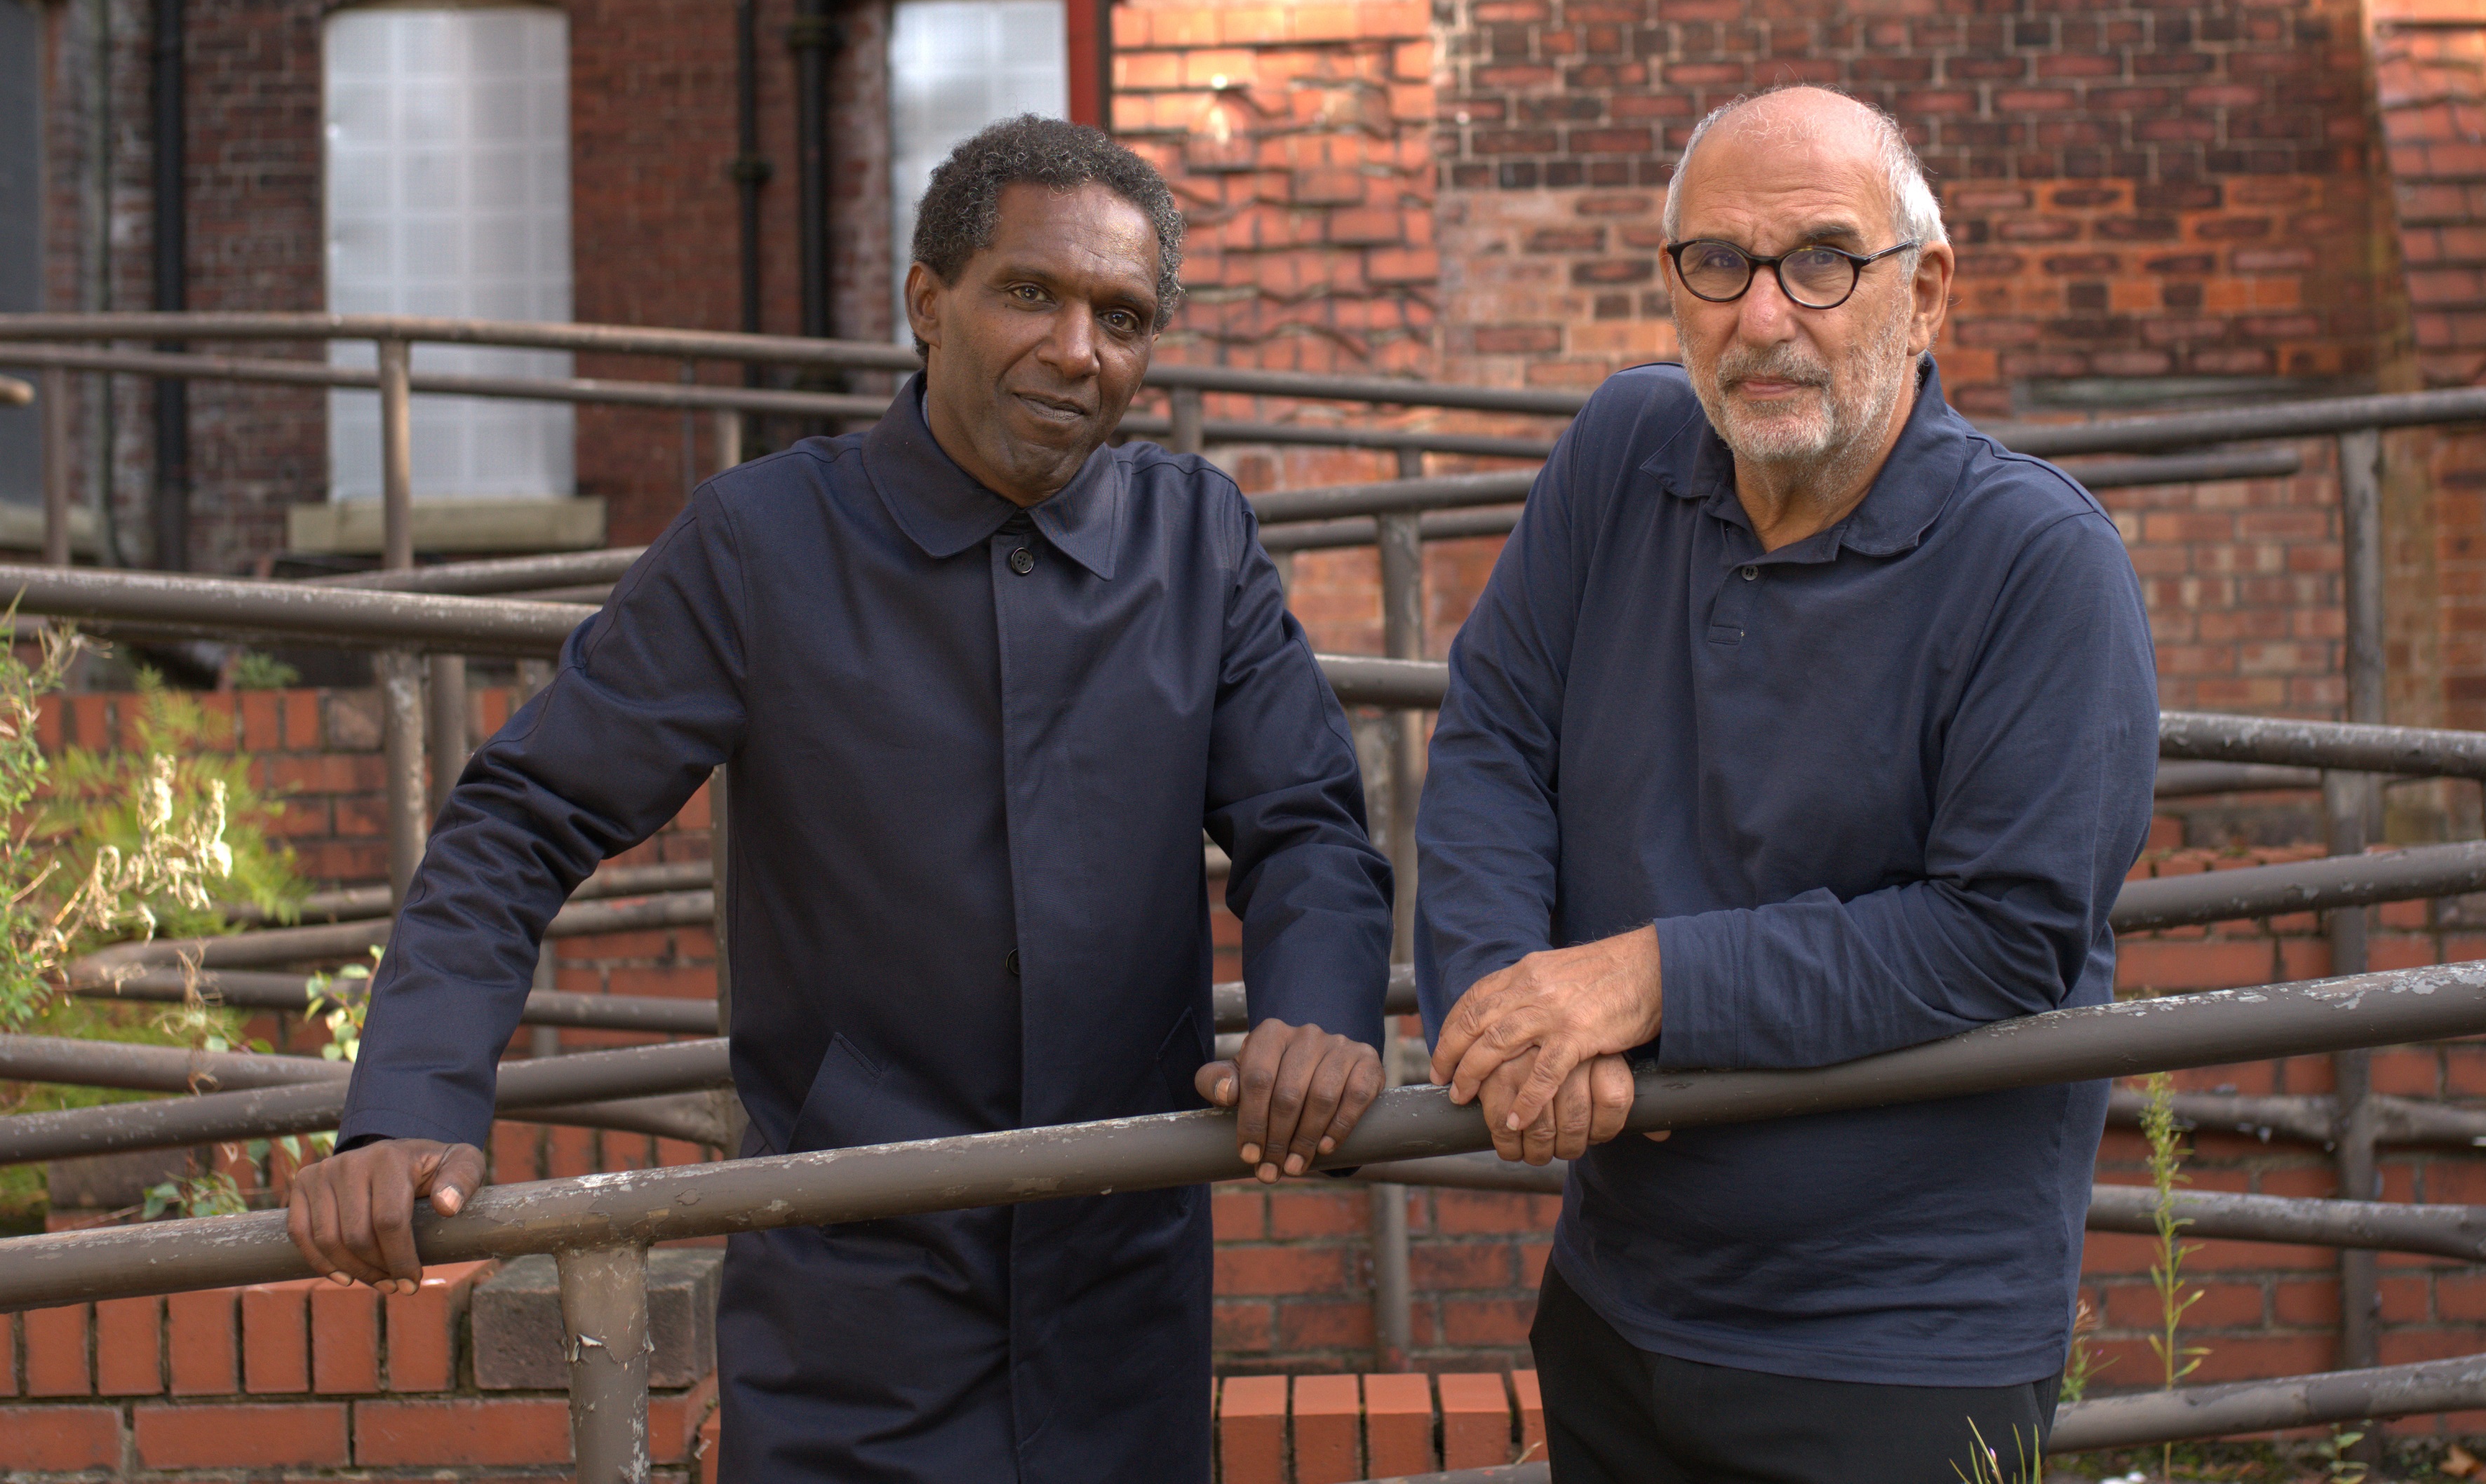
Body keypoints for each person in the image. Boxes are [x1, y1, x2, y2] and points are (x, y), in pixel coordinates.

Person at [285, 115, 1395, 1483]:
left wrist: (1320, 1015)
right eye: (1029, 293)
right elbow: (523, 818)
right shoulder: (761, 541)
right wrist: (410, 1100)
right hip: (847, 1309)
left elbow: (1306, 824)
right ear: (928, 302)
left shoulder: (1200, 536)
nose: (1076, 350)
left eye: (1121, 314)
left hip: (1124, 1309)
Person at [1415, 85, 2158, 1483]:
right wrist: (1498, 999)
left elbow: (2000, 936)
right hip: (1611, 1297)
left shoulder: (2039, 564)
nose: (1759, 319)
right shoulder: (1619, 453)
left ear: (1923, 292)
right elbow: (1495, 738)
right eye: (1715, 265)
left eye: (1820, 260)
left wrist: (1638, 983)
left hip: (1891, 1347)